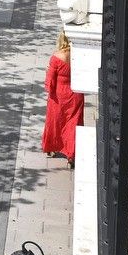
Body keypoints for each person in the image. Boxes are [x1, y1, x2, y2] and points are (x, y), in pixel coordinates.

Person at [41, 31, 86, 168]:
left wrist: (47, 71)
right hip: (76, 94)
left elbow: (50, 83)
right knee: (73, 124)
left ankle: (51, 148)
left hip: (58, 95)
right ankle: (71, 155)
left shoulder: (56, 57)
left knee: (54, 122)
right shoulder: (80, 56)